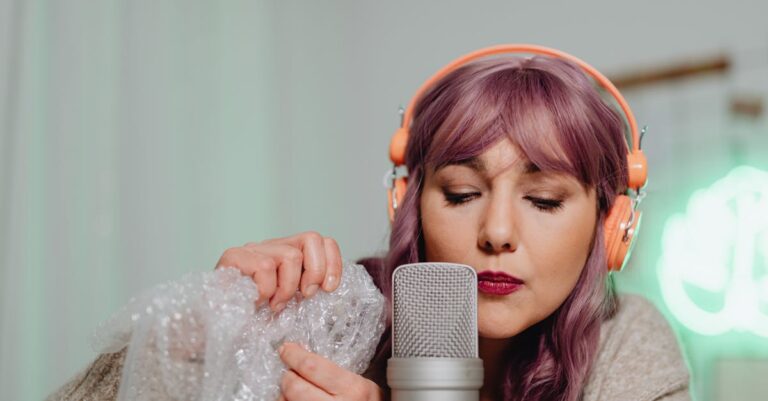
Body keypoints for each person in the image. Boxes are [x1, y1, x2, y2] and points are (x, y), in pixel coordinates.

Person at [48, 45, 690, 401]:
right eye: (463, 193)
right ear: (409, 205)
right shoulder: (328, 315)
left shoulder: (625, 348)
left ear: (610, 226)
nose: (497, 232)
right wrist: (200, 336)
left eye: (543, 201)